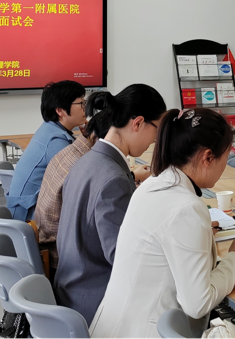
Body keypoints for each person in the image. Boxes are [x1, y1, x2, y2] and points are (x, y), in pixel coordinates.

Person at [90, 108, 235, 339]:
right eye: (226, 156)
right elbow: (197, 304)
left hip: (115, 327)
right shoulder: (187, 207)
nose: (225, 165)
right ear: (207, 157)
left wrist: (230, 272)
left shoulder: (152, 184)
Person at [54, 84, 166, 324]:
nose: (154, 141)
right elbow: (122, 257)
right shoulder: (114, 178)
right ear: (138, 123)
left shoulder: (87, 160)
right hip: (96, 301)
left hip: (71, 289)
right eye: (156, 132)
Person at [33, 98, 151, 278]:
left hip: (57, 250)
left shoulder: (73, 153)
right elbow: (118, 253)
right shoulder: (84, 163)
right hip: (63, 258)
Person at [6, 81, 86, 221]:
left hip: (26, 209)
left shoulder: (50, 129)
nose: (86, 108)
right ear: (60, 110)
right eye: (81, 103)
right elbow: (80, 179)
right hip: (28, 218)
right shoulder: (56, 141)